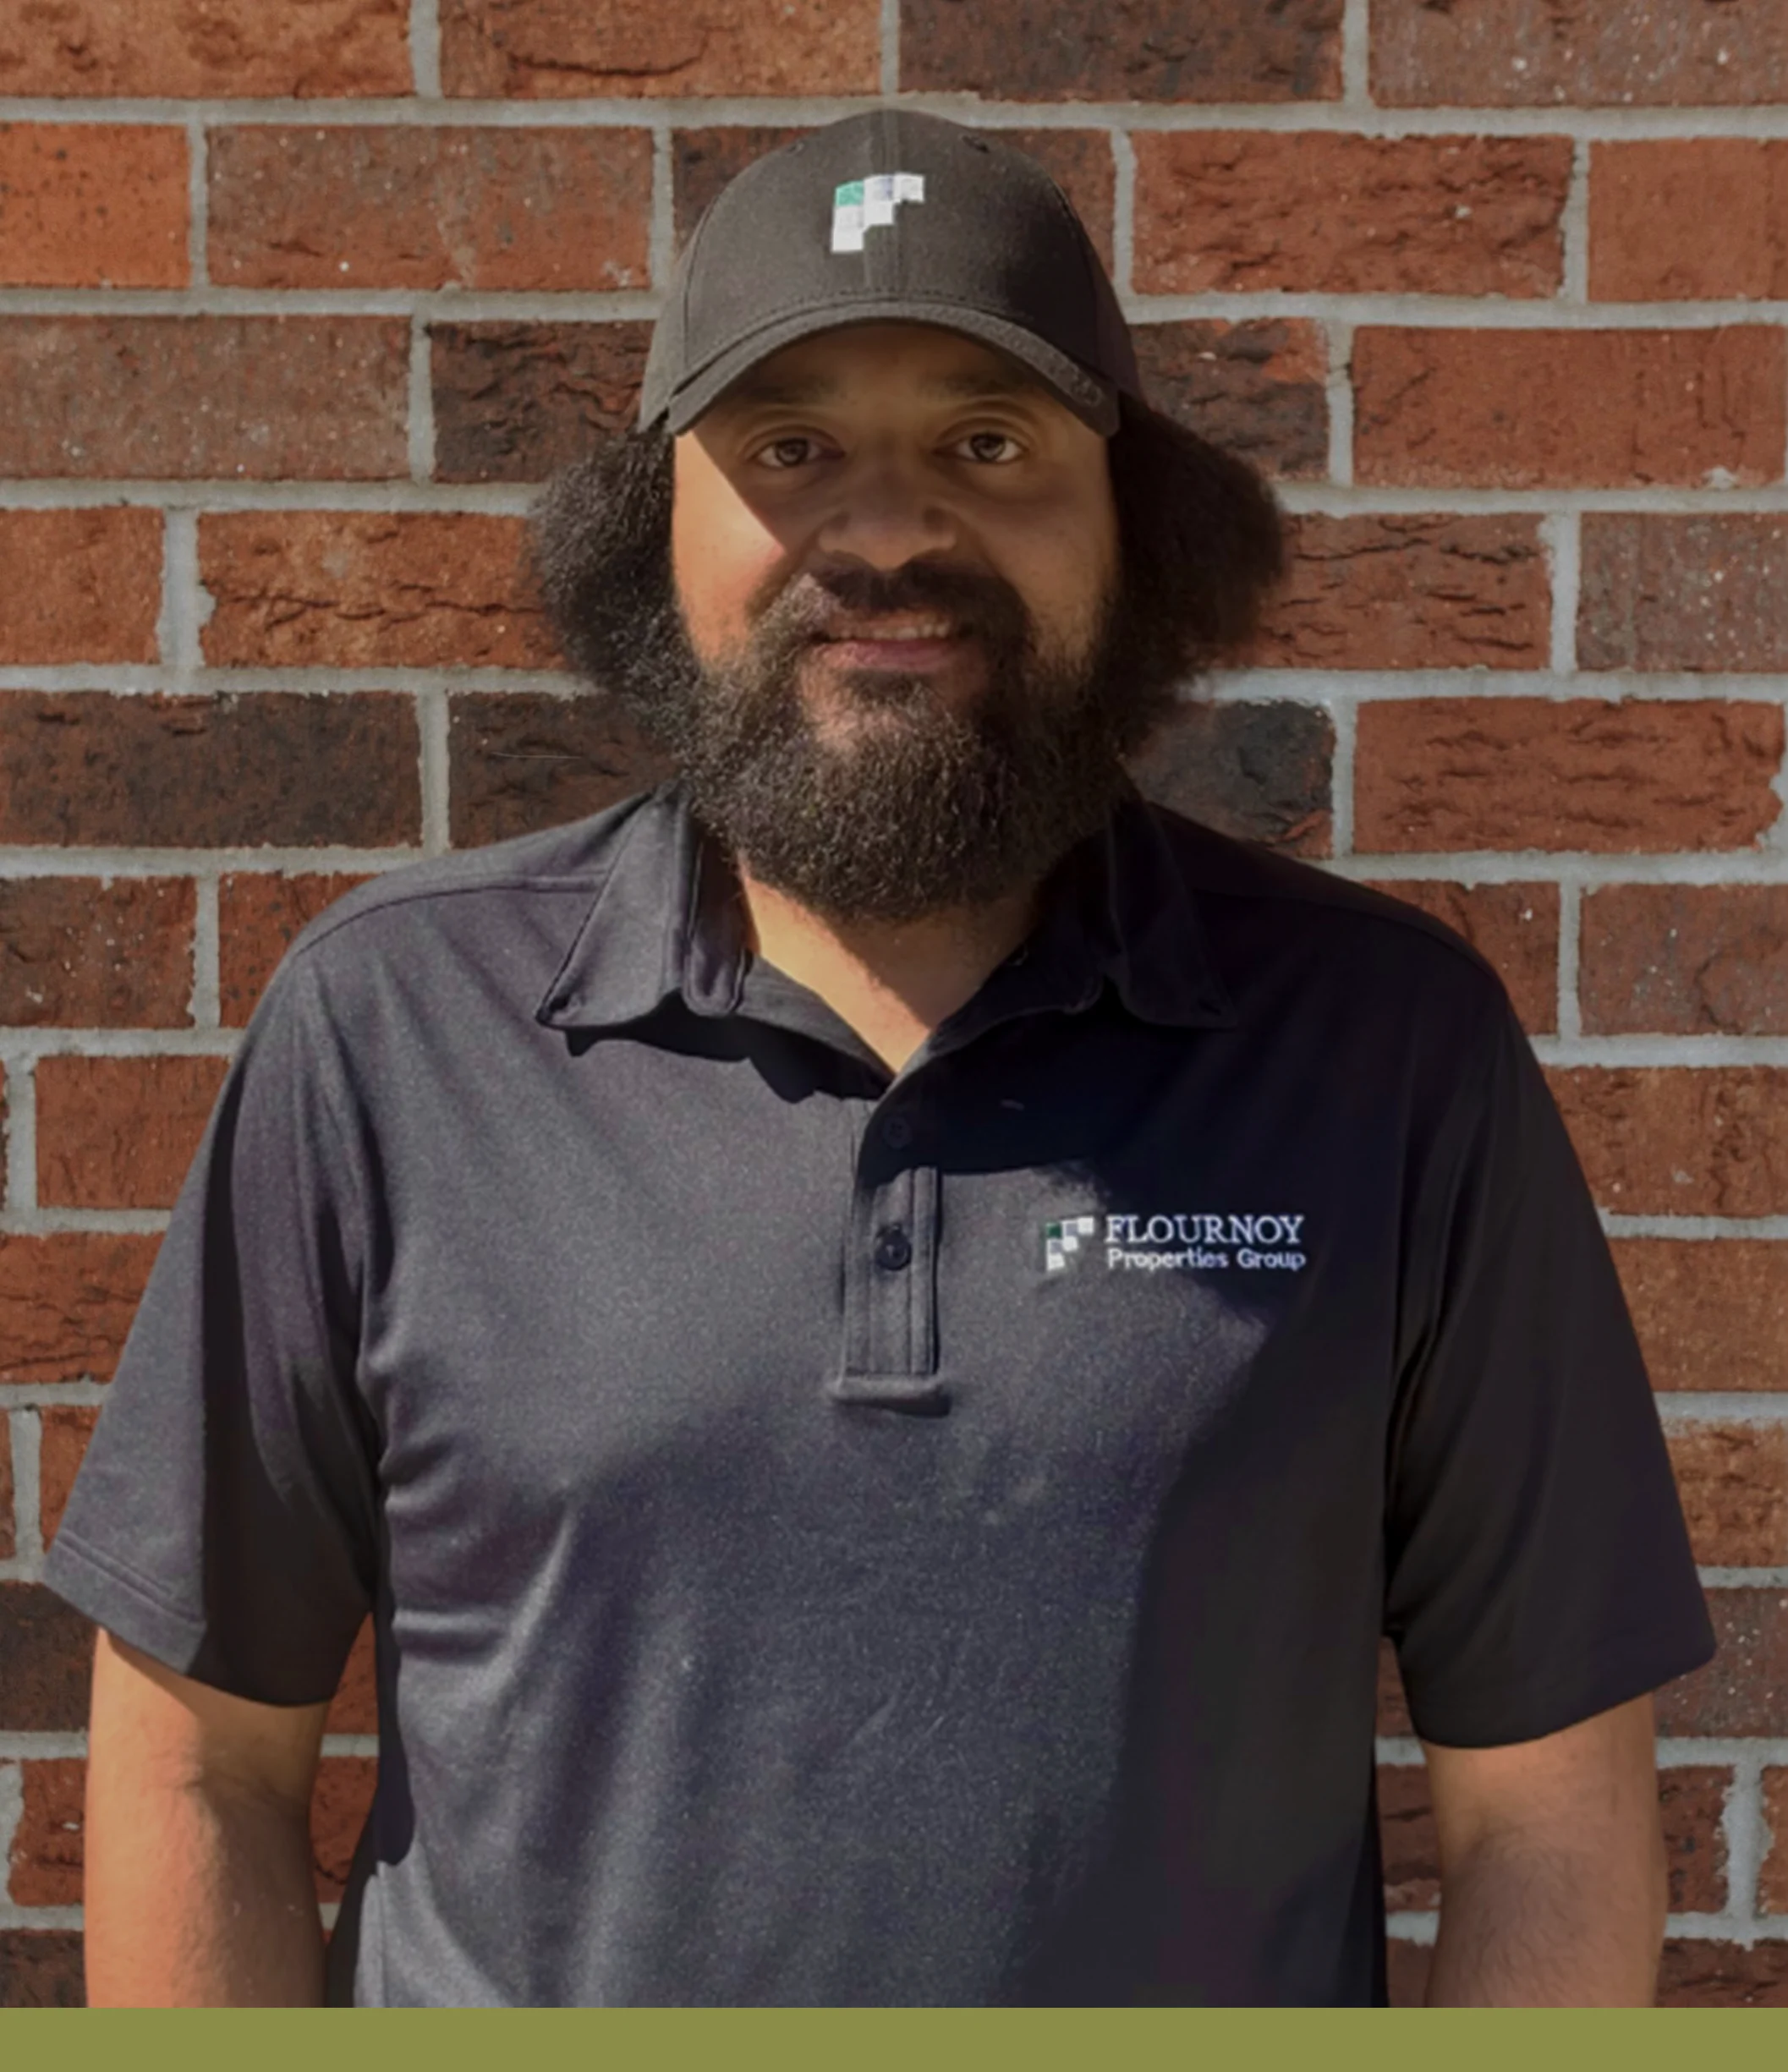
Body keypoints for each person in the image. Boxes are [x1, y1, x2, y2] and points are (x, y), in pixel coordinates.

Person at [47, 110, 1713, 2009]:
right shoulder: (389, 1031)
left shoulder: (1387, 1051)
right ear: (651, 519)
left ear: (1133, 525)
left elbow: (1547, 1820)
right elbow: (199, 1753)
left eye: (987, 445)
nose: (891, 527)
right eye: (790, 449)